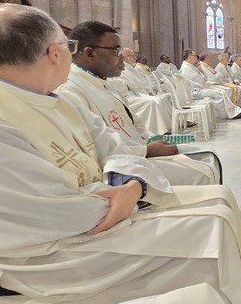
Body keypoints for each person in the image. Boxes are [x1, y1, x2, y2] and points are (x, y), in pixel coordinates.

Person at [0, 4, 241, 304]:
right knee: (212, 225)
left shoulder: (50, 97)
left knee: (220, 198)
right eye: (67, 46)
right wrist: (130, 195)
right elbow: (49, 215)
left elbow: (112, 146)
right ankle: (232, 298)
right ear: (56, 54)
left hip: (95, 211)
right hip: (41, 262)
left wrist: (133, 183)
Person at [56, 21, 221, 185]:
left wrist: (151, 139)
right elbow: (95, 147)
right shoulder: (71, 91)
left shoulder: (103, 82)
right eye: (116, 50)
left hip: (139, 150)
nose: (122, 57)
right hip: (124, 170)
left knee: (208, 155)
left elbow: (133, 121)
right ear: (90, 54)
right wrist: (146, 150)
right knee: (203, 170)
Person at [106, 46, 174, 135]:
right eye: (132, 56)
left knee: (162, 99)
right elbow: (119, 84)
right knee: (152, 102)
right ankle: (156, 132)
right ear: (124, 57)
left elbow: (139, 83)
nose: (135, 58)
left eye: (134, 55)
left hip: (135, 93)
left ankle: (167, 127)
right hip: (126, 96)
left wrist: (147, 91)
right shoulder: (121, 67)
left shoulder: (130, 68)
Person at [179, 49, 241, 120]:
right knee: (219, 94)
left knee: (222, 92)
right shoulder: (187, 68)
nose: (197, 58)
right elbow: (202, 80)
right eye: (195, 56)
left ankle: (234, 112)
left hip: (200, 88)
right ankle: (227, 114)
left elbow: (203, 79)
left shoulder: (190, 66)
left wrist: (201, 73)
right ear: (190, 57)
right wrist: (201, 71)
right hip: (196, 92)